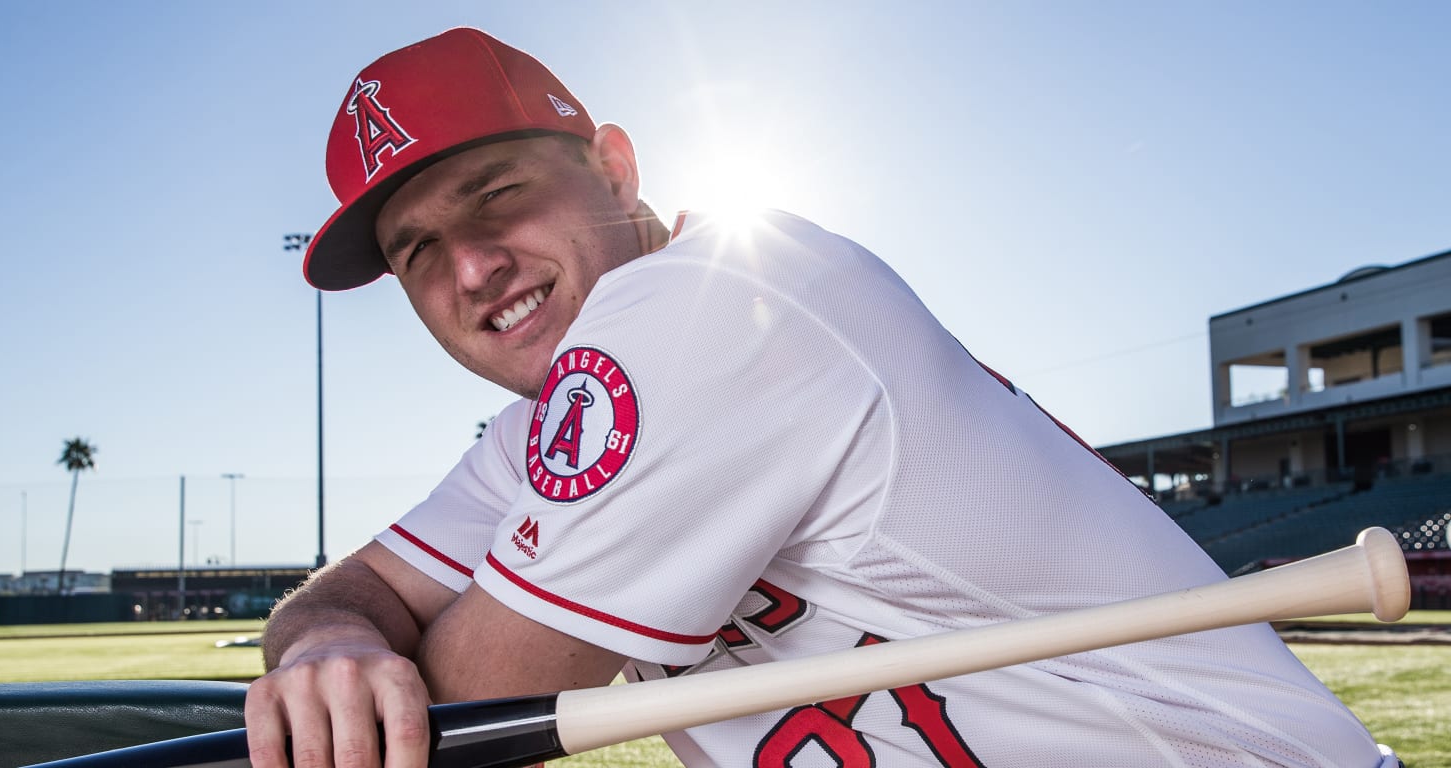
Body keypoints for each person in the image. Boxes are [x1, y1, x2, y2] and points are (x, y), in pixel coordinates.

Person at [245, 27, 1398, 768]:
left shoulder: (712, 306)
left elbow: (468, 702)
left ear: (613, 166)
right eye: (416, 253)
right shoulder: (538, 432)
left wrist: (381, 670)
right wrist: (332, 646)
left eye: (495, 195)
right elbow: (351, 593)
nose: (471, 268)